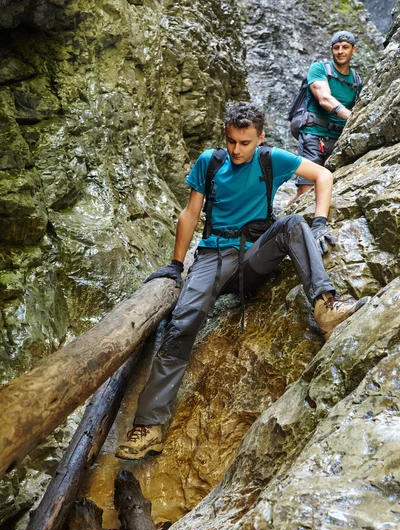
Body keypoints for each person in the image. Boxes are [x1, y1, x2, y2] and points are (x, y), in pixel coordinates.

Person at [116, 101, 368, 461]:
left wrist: (321, 221)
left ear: (260, 138)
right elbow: (190, 213)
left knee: (293, 225)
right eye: (232, 141)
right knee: (182, 323)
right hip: (212, 256)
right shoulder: (210, 162)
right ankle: (150, 427)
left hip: (252, 257)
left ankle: (325, 305)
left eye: (245, 142)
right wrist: (175, 265)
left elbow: (323, 176)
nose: (237, 149)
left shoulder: (272, 159)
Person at [289, 31, 361, 206]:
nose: (340, 51)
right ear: (331, 50)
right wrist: (352, 117)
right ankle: (279, 225)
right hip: (313, 136)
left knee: (328, 192)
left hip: (338, 141)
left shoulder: (357, 81)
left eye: (345, 47)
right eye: (336, 48)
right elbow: (324, 98)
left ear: (353, 50)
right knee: (306, 193)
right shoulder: (319, 69)